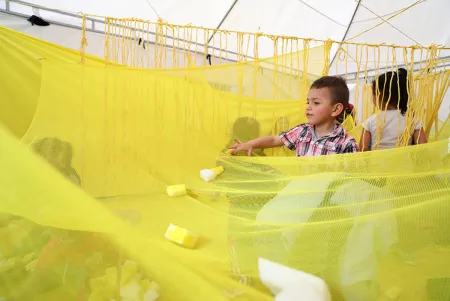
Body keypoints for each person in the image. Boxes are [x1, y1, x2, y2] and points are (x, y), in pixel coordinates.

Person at [229, 76, 359, 156]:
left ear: (336, 109)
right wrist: (251, 144)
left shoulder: (347, 143)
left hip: (327, 197)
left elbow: (350, 176)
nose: (308, 107)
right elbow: (274, 140)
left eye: (316, 103)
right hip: (301, 190)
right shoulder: (302, 131)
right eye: (308, 102)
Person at [360, 68, 427, 151]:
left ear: (379, 95)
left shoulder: (370, 122)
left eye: (373, 94)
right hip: (405, 163)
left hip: (378, 163)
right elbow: (423, 148)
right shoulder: (412, 120)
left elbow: (362, 148)